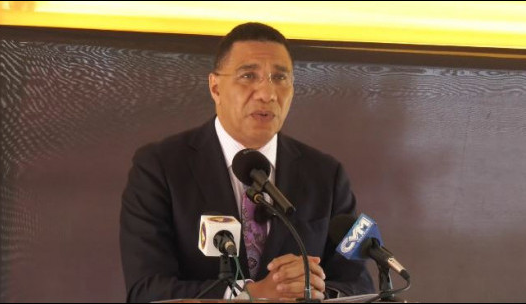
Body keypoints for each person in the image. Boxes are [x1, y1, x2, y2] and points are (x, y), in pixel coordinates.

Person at [120, 22, 374, 302]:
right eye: (248, 76)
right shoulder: (160, 166)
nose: (267, 94)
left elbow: (359, 283)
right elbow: (147, 290)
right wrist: (249, 294)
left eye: (280, 78)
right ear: (215, 87)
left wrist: (316, 289)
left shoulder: (325, 174)